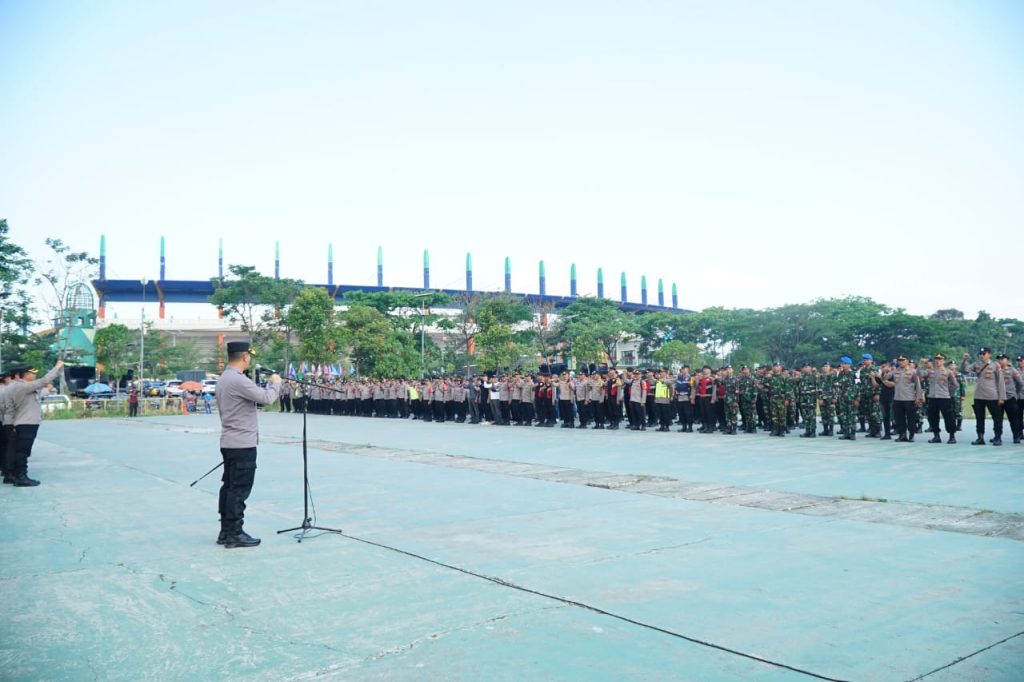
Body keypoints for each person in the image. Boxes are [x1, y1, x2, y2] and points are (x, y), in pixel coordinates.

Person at [215, 341, 281, 548]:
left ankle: (226, 531)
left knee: (229, 487)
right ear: (245, 357)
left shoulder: (224, 378)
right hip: (242, 442)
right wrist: (275, 382)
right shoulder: (238, 380)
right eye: (249, 356)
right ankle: (234, 533)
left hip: (230, 441)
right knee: (239, 489)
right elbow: (267, 398)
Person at [5, 361, 64, 486]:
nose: (35, 376)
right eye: (33, 374)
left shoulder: (20, 386)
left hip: (24, 422)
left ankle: (17, 475)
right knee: (23, 451)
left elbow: (41, 390)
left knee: (20, 450)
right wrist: (56, 367)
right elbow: (44, 381)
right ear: (25, 375)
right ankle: (21, 477)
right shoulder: (22, 386)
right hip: (26, 423)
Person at [961, 348, 1007, 446]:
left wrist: (1001, 397)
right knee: (979, 418)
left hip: (992, 396)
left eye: (983, 353)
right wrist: (964, 360)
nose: (981, 355)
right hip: (979, 396)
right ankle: (980, 437)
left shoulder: (995, 365)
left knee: (997, 418)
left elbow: (1001, 382)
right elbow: (965, 370)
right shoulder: (976, 364)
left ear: (989, 354)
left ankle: (998, 437)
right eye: (980, 353)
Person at [918, 353, 958, 444]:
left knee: (949, 417)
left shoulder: (948, 371)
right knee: (933, 417)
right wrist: (920, 365)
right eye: (936, 359)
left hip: (944, 397)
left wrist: (949, 393)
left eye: (940, 359)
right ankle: (936, 436)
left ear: (943, 361)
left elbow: (955, 385)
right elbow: (920, 374)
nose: (938, 361)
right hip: (932, 397)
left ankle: (952, 436)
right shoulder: (930, 371)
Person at [884, 355, 922, 442]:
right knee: (899, 418)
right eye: (899, 361)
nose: (901, 362)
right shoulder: (895, 371)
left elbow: (918, 385)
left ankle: (911, 435)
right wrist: (885, 372)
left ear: (907, 361)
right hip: (898, 398)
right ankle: (902, 435)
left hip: (909, 398)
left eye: (903, 360)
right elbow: (885, 378)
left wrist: (918, 397)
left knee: (910, 418)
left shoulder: (913, 371)